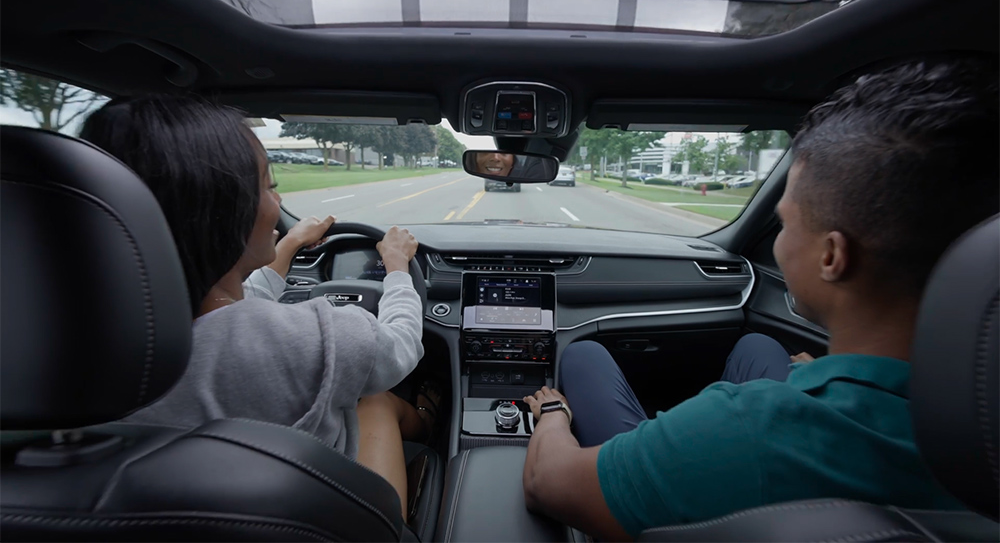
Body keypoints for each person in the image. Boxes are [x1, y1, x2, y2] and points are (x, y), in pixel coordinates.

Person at [521, 58, 999, 540]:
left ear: (832, 256)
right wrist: (819, 376)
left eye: (786, 223)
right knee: (758, 348)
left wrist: (555, 415)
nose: (777, 241)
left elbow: (545, 483)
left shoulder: (750, 425)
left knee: (583, 354)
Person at [79, 95, 440, 518]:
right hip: (325, 520)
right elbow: (400, 347)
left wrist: (286, 245)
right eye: (270, 186)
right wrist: (397, 268)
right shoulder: (321, 339)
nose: (275, 200)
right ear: (229, 212)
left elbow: (230, 315)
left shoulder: (83, 356)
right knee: (376, 398)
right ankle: (432, 422)